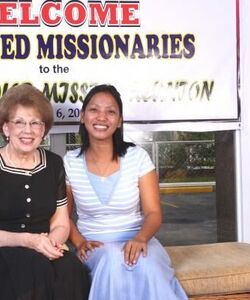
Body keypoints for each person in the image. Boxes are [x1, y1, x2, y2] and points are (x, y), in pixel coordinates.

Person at [0, 83, 89, 299]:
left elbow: (60, 224)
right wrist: (30, 241)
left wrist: (51, 244)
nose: (27, 131)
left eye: (35, 123)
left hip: (44, 245)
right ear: (5, 128)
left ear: (43, 130)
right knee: (31, 270)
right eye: (19, 122)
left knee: (71, 269)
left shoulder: (54, 164)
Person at [64, 84, 188, 300]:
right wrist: (80, 243)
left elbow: (153, 213)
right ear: (83, 116)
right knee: (112, 260)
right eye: (94, 110)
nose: (102, 117)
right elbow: (63, 217)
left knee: (146, 264)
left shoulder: (137, 157)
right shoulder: (70, 162)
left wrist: (141, 238)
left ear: (119, 120)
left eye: (110, 111)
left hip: (139, 239)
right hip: (94, 245)